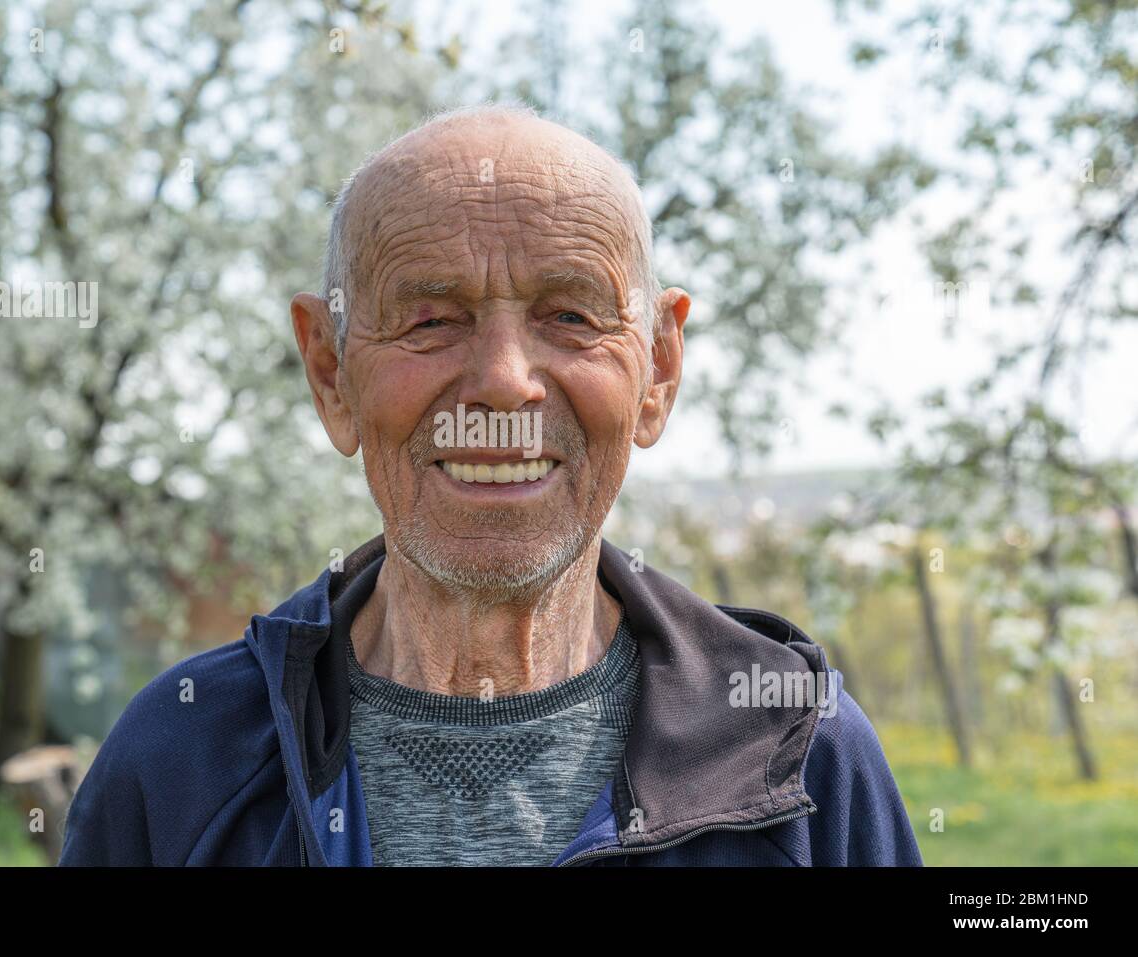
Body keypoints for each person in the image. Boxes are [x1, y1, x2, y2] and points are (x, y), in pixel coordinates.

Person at [59, 103, 922, 866]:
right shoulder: (178, 764)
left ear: (658, 369)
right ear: (330, 373)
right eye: (431, 319)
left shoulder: (798, 750)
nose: (505, 381)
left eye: (571, 316)